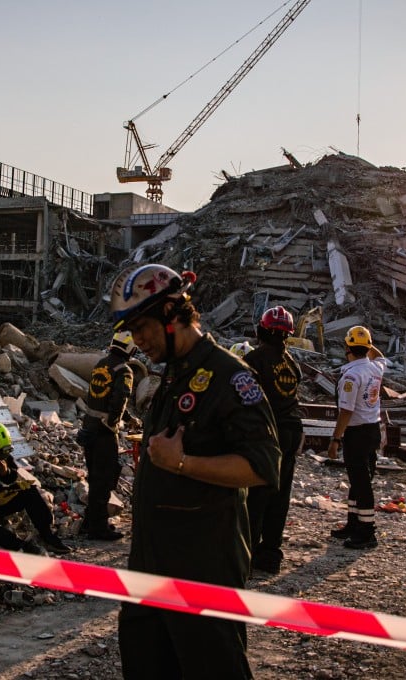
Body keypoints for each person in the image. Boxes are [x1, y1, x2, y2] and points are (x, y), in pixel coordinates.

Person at [109, 263, 281, 680]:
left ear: (172, 313)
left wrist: (182, 463)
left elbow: (263, 465)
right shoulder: (174, 373)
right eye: (130, 331)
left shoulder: (230, 377)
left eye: (142, 327)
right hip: (151, 561)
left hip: (203, 568)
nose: (137, 340)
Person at [244, 306, 304, 574]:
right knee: (280, 495)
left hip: (266, 433)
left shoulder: (253, 360)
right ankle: (270, 556)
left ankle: (245, 554)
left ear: (262, 330)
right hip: (291, 432)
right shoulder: (291, 363)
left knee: (256, 495)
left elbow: (245, 399)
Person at [0, 422, 72, 555]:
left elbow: (12, 477)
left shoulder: (1, 450)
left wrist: (5, 472)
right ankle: (19, 546)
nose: (2, 457)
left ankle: (47, 536)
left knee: (29, 490)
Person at [327, 325, 386, 550]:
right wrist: (367, 343)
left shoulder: (351, 376)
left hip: (357, 433)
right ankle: (354, 523)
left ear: (347, 347)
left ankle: (367, 530)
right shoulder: (375, 368)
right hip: (372, 430)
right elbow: (380, 357)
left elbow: (346, 412)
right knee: (359, 479)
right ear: (368, 347)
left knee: (361, 483)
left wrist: (335, 439)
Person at [77, 331, 137, 541]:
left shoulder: (101, 364)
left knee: (95, 478)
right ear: (131, 349)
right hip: (104, 433)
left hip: (89, 428)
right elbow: (119, 399)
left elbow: (101, 396)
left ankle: (90, 522)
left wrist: (128, 418)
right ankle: (98, 528)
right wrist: (115, 423)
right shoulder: (125, 370)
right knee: (104, 480)